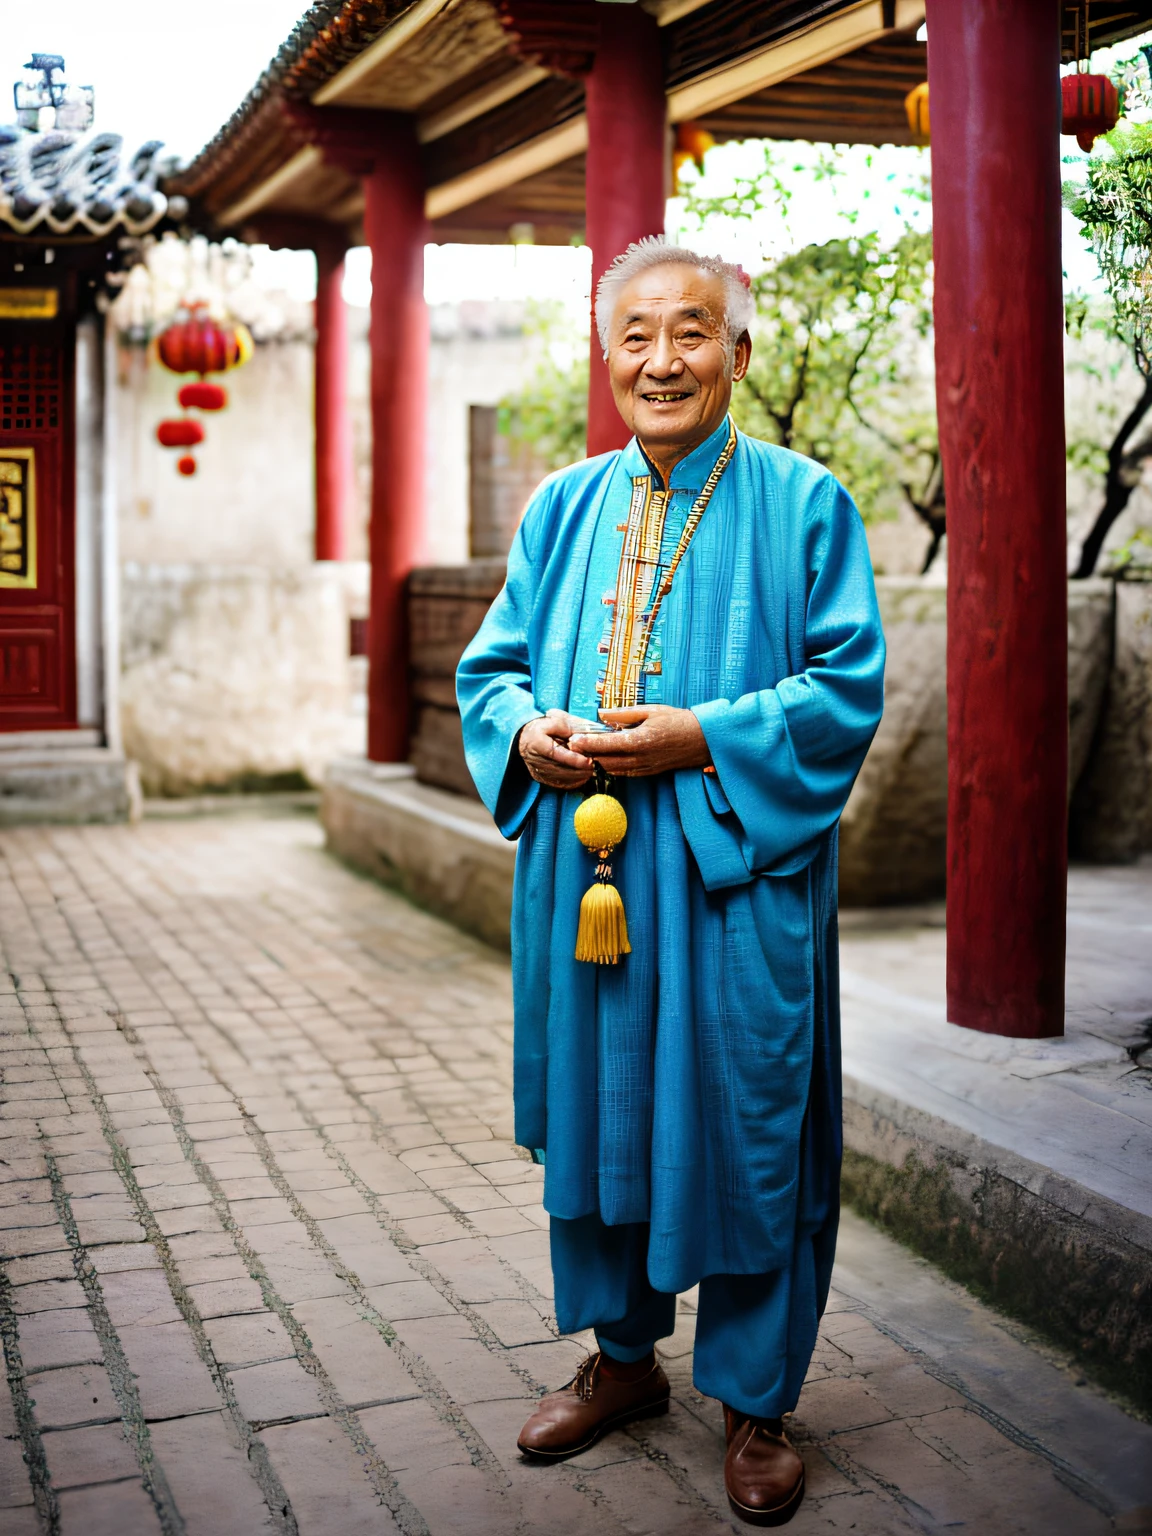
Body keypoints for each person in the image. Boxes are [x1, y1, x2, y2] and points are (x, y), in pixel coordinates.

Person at [457, 237, 884, 1528]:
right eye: (635, 335)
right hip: (590, 897)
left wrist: (704, 735)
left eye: (691, 333)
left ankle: (756, 1401)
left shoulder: (807, 504)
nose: (662, 360)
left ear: (738, 353)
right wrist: (525, 729)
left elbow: (846, 689)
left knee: (745, 1124)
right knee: (603, 1117)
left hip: (731, 878)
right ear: (607, 356)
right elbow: (495, 671)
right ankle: (624, 1361)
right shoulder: (561, 507)